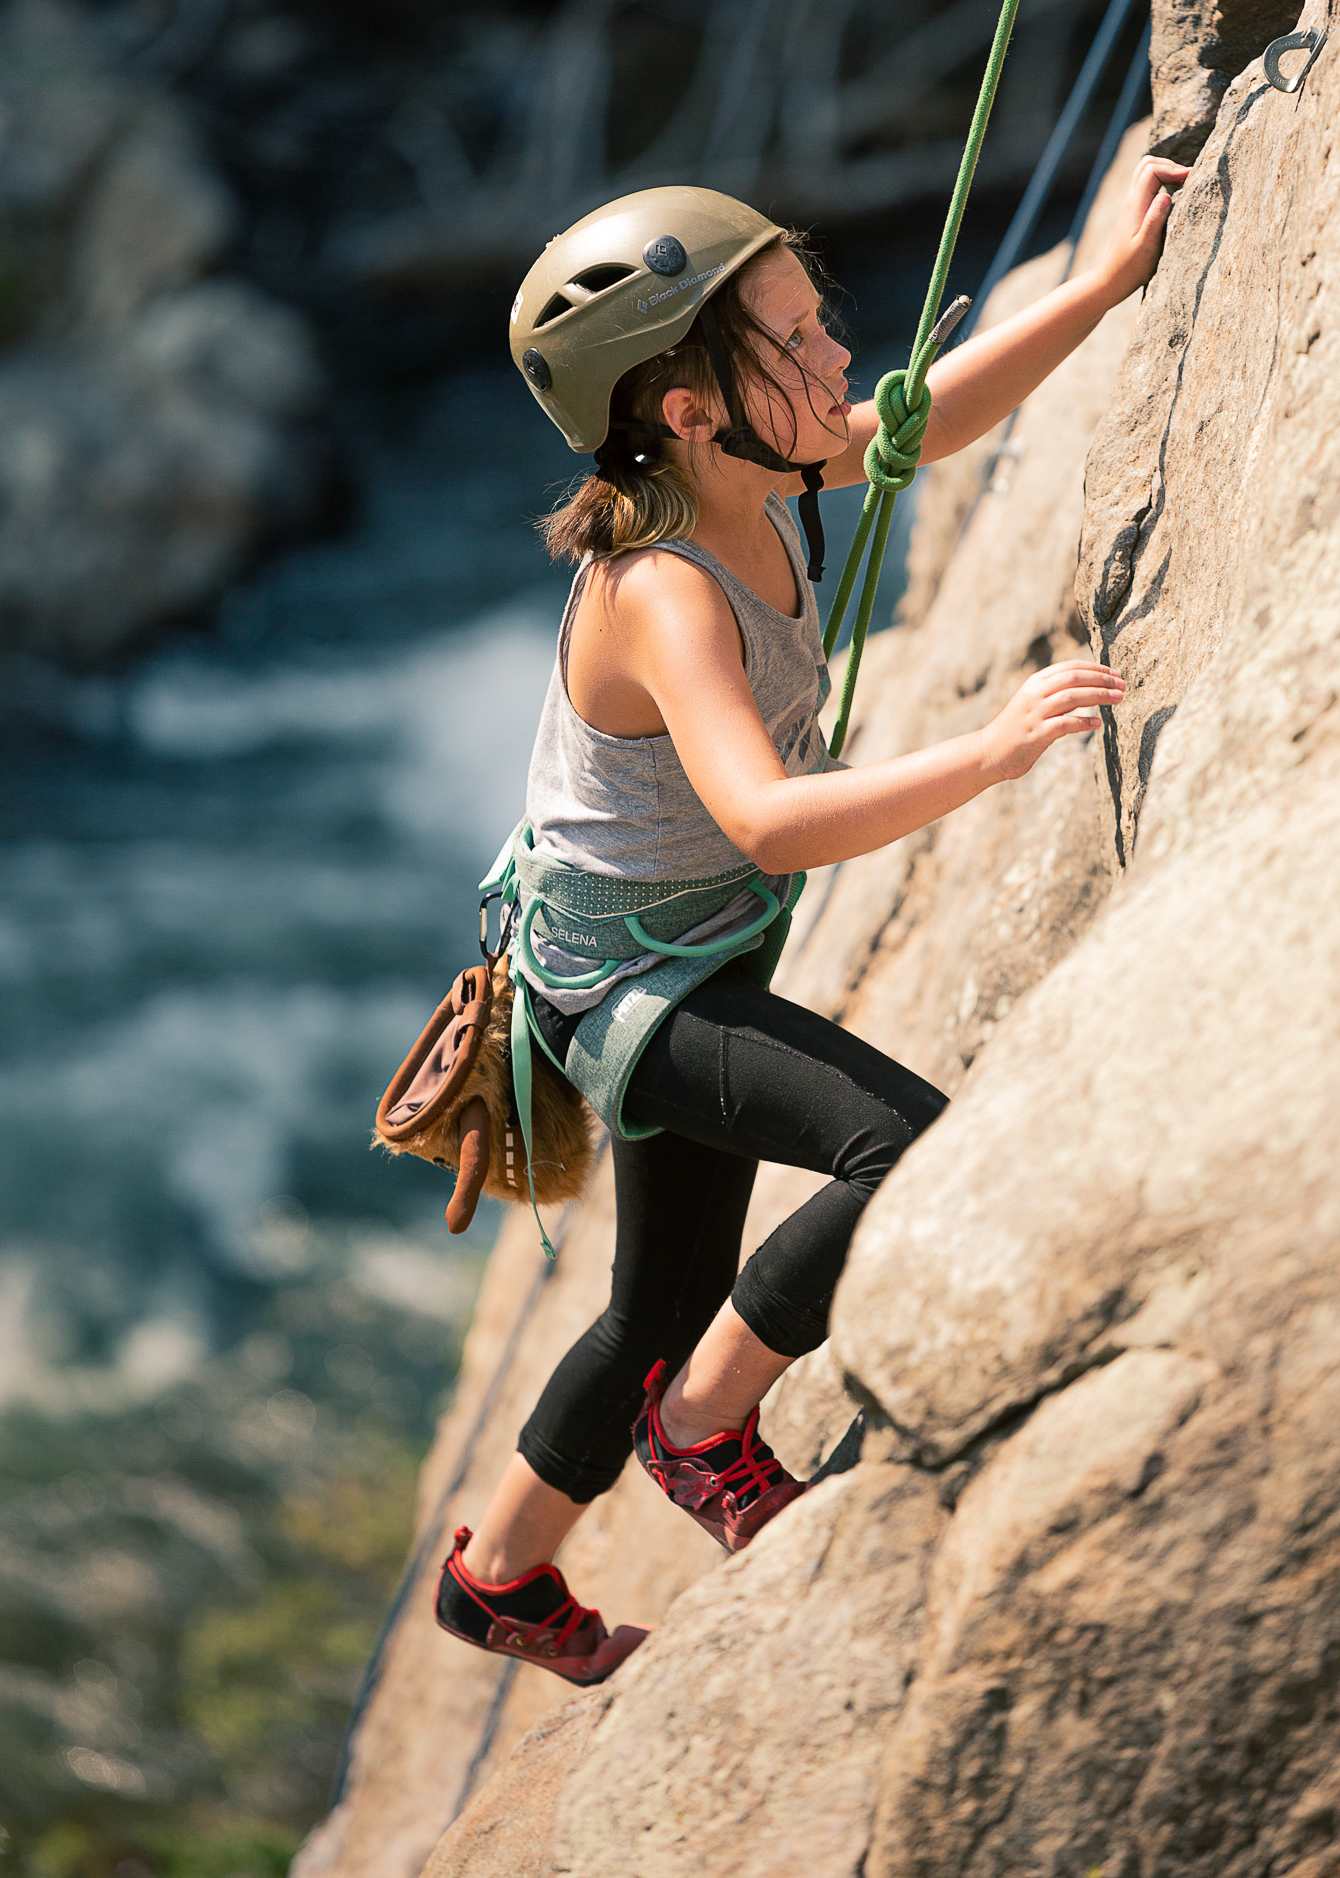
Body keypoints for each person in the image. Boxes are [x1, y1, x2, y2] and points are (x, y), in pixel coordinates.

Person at [435, 158, 1185, 1682]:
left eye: (816, 312)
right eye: (796, 335)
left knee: (657, 1294)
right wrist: (988, 749)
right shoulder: (663, 586)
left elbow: (921, 419)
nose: (841, 349)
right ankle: (700, 1429)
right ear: (690, 409)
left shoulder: (752, 467)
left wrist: (1101, 286)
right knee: (903, 1148)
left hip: (675, 951)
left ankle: (497, 1574)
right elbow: (764, 817)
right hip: (635, 993)